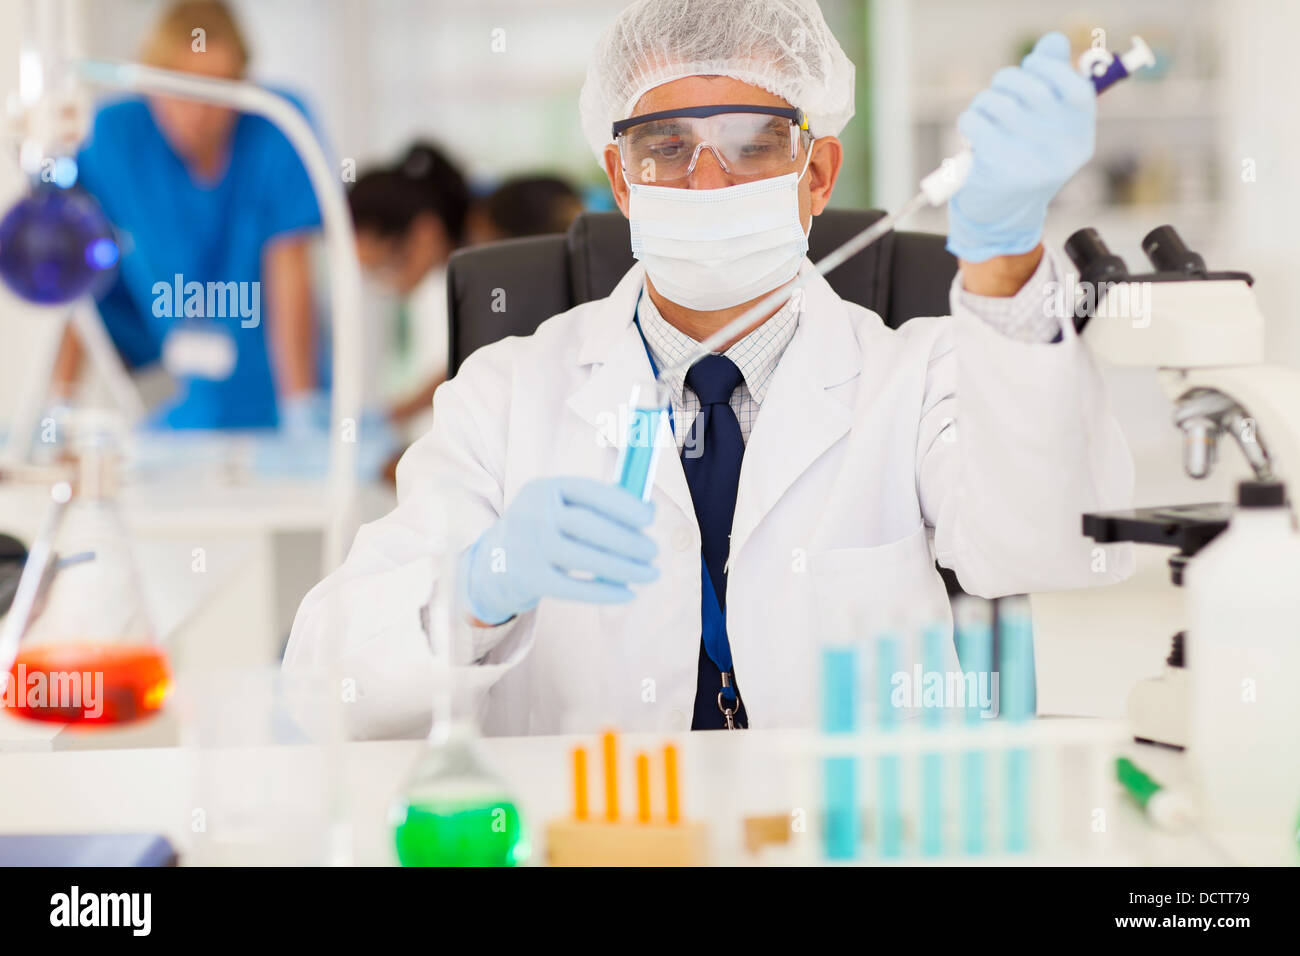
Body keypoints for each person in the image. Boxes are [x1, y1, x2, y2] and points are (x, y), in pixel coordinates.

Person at [286, 0, 1134, 740]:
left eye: (753, 145)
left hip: (855, 843)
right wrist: (478, 587)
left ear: (818, 175)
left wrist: (1007, 261)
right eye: (665, 145)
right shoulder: (505, 396)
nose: (706, 179)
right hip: (598, 838)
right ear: (620, 179)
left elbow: (1061, 548)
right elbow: (327, 685)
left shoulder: (911, 376)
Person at [64, 0, 322, 430]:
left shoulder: (277, 127)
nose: (199, 113)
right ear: (149, 83)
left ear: (242, 85)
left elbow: (289, 268)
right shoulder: (114, 138)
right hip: (175, 400)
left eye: (216, 90)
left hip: (272, 394)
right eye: (182, 90)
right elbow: (79, 278)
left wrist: (300, 407)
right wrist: (61, 402)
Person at [349, 143, 470, 430]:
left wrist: (391, 415)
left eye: (384, 267)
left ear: (425, 232)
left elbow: (473, 360)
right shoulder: (460, 267)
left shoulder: (490, 257)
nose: (384, 284)